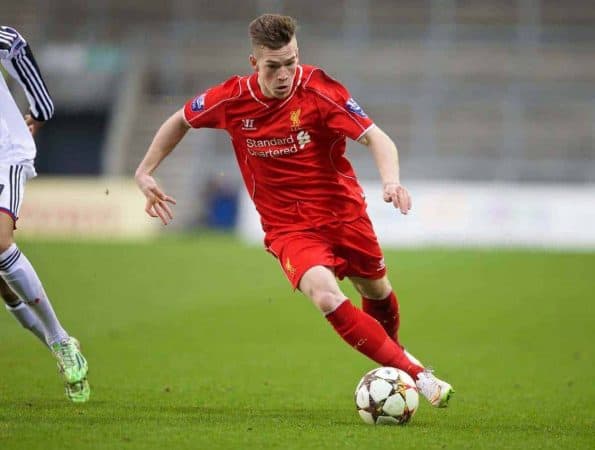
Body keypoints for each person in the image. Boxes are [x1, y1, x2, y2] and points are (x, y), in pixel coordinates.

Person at [135, 14, 453, 407]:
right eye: (274, 66)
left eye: (292, 62)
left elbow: (377, 138)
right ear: (255, 64)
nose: (285, 74)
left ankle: (395, 360)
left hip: (343, 213)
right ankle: (417, 375)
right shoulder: (231, 99)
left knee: (377, 291)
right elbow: (180, 120)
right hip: (289, 228)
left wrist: (391, 182)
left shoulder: (319, 91)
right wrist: (145, 170)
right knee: (324, 295)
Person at [0, 26, 90, 402]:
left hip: (5, 152)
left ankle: (58, 339)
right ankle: (61, 344)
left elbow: (12, 42)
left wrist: (41, 109)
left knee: (0, 243)